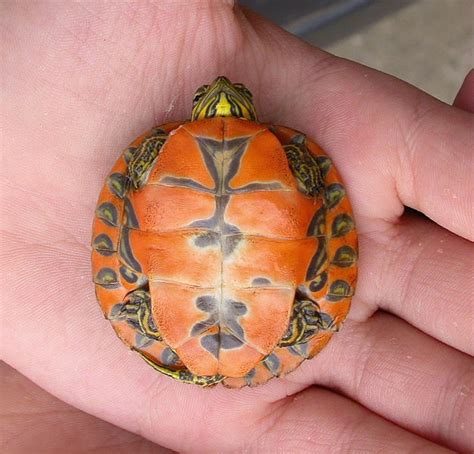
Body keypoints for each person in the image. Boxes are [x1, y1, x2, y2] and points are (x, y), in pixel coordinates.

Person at [1, 2, 472, 452]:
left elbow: (130, 198)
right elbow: (317, 207)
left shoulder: (163, 153)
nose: (223, 86)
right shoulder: (277, 156)